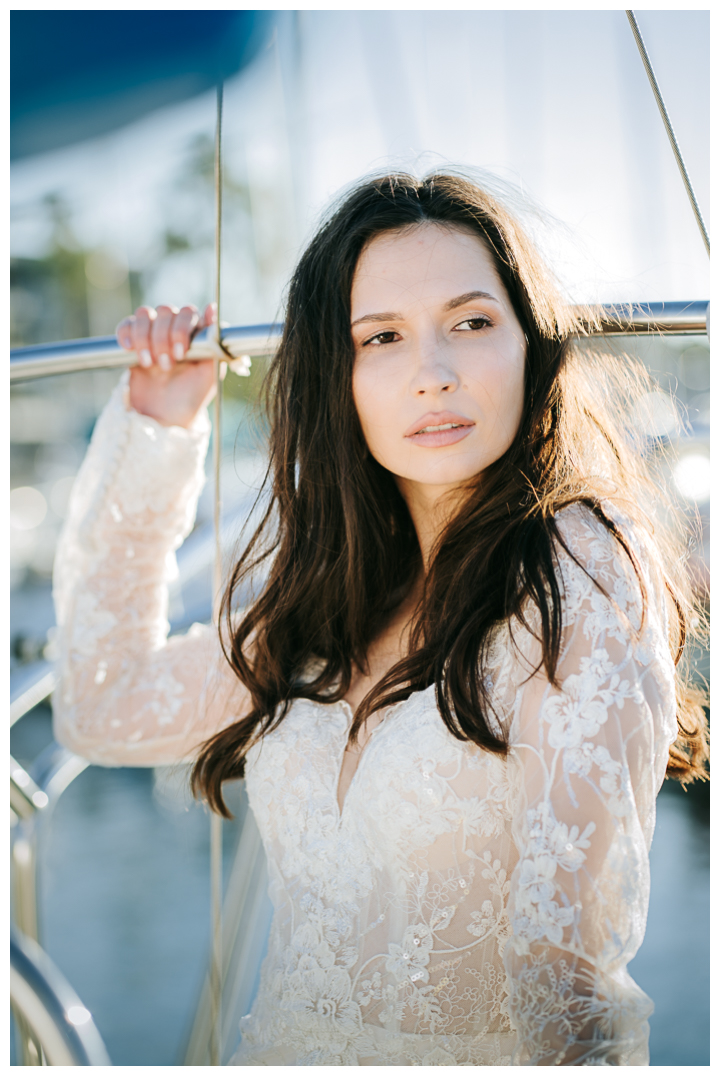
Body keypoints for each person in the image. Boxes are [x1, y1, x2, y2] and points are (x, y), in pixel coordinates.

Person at [52, 171, 708, 1066]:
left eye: (471, 323)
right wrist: (159, 431)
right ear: (340, 373)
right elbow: (103, 706)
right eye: (383, 337)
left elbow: (573, 983)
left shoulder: (578, 567)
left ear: (528, 342)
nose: (433, 375)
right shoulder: (327, 593)